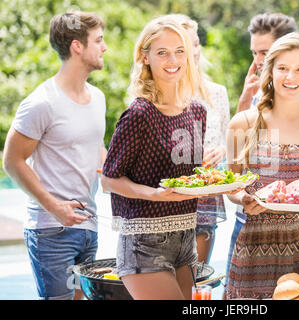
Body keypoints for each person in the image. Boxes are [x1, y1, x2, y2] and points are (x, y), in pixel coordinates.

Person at [224, 32, 299, 300]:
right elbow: (230, 186)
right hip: (256, 246)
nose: (291, 77)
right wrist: (242, 197)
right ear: (270, 72)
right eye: (283, 69)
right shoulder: (241, 123)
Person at [100, 16, 207, 300]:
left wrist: (210, 173)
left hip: (186, 236)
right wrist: (153, 194)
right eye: (162, 52)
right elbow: (109, 179)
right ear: (145, 57)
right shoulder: (139, 114)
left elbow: (188, 174)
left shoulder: (197, 111)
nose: (173, 60)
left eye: (179, 51)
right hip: (144, 242)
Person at [2, 11, 108, 300]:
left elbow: (96, 148)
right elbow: (11, 161)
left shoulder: (98, 98)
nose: (105, 47)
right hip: (51, 230)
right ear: (77, 46)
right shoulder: (41, 102)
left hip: (88, 224)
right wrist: (53, 206)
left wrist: (116, 176)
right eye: (98, 40)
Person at [170, 14, 231, 265]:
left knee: (197, 279)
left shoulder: (217, 93)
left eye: (196, 44)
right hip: (169, 198)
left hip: (205, 197)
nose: (194, 52)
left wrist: (221, 150)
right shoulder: (157, 96)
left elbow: (228, 140)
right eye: (185, 46)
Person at [237, 12, 299, 113]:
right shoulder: (262, 92)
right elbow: (242, 129)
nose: (257, 61)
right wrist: (245, 99)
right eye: (255, 53)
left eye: (264, 53)